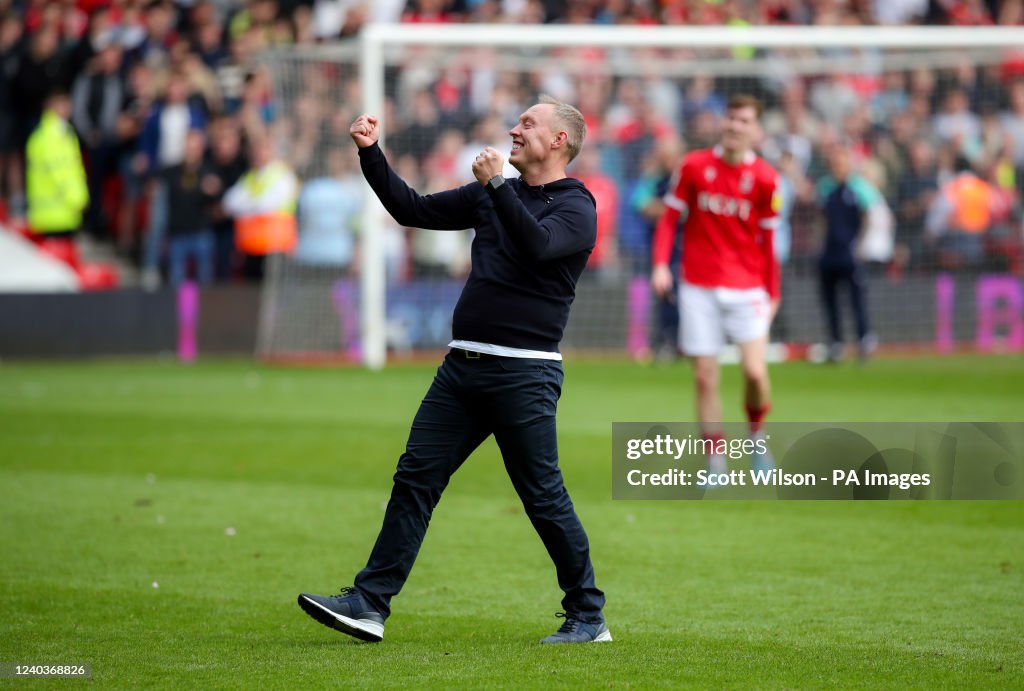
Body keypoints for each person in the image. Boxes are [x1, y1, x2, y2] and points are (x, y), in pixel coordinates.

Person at [297, 95, 610, 645]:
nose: (514, 130)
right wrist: (372, 153)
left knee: (542, 496)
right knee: (415, 478)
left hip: (524, 373)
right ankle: (369, 603)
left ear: (560, 140)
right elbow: (411, 210)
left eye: (528, 124)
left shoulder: (576, 205)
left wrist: (493, 188)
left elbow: (538, 248)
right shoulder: (499, 194)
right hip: (461, 367)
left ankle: (587, 615)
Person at [650, 94, 780, 481]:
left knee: (755, 373)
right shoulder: (692, 166)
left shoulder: (766, 179)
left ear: (755, 130)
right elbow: (670, 219)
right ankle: (716, 462)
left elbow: (770, 245)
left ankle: (757, 438)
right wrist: (660, 265)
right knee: (705, 376)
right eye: (731, 119)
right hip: (698, 286)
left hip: (747, 287)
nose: (735, 126)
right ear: (723, 123)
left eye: (744, 121)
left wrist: (774, 293)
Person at [816, 144, 878, 362]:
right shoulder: (825, 188)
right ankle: (836, 343)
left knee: (857, 300)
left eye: (841, 163)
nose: (837, 167)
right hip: (830, 254)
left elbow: (869, 218)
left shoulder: (860, 189)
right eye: (834, 163)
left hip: (851, 254)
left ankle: (864, 340)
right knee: (830, 301)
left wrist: (861, 246)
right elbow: (822, 219)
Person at [221, 135, 299, 279]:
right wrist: (253, 205)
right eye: (256, 150)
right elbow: (229, 203)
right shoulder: (250, 176)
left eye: (264, 149)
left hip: (276, 247)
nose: (259, 153)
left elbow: (266, 205)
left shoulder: (282, 175)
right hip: (250, 249)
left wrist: (247, 205)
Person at [25, 90, 89, 257]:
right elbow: (61, 174)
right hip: (57, 212)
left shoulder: (62, 133)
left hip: (59, 211)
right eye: (62, 105)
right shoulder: (51, 137)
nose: (67, 109)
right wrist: (78, 198)